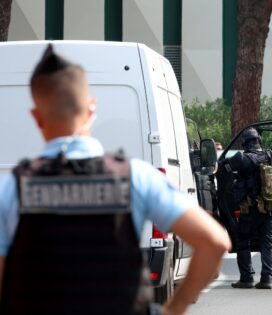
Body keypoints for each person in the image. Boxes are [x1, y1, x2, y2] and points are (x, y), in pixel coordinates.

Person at [0, 44, 231, 315]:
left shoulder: (15, 189)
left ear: (36, 117)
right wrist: (173, 309)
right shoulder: (136, 178)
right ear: (92, 108)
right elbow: (215, 242)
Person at [219, 127, 272, 290]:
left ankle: (247, 278)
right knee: (268, 243)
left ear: (245, 143)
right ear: (259, 140)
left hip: (250, 208)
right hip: (270, 206)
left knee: (243, 241)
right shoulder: (270, 155)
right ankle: (266, 279)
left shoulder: (241, 158)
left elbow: (224, 168)